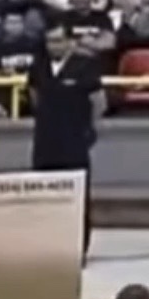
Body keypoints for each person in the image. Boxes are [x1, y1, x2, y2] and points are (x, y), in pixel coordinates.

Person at [27, 20, 105, 263]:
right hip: (45, 141)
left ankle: (78, 249)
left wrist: (89, 128)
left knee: (77, 198)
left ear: (70, 42)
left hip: (74, 140)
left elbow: (99, 101)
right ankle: (47, 248)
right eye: (50, 41)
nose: (54, 46)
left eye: (59, 41)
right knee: (44, 196)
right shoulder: (38, 66)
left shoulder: (85, 65)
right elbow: (34, 96)